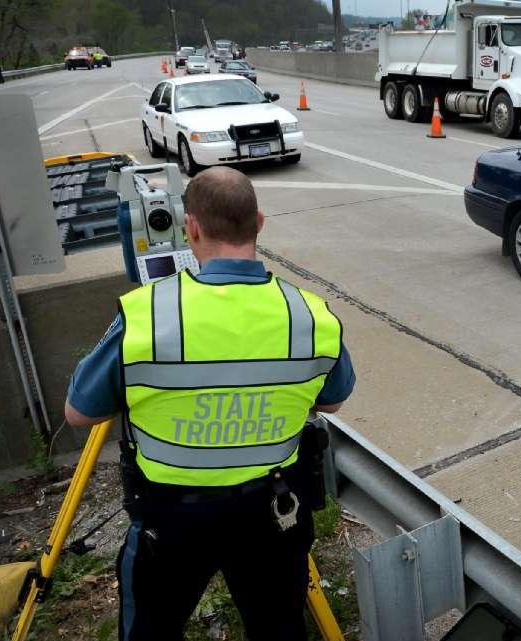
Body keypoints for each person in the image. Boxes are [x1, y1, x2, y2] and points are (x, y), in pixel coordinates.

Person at [64, 166, 355, 640]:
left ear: (191, 227)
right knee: (279, 629)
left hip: (169, 520)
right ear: (258, 222)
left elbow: (79, 412)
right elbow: (334, 401)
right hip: (273, 514)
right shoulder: (310, 314)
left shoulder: (147, 313)